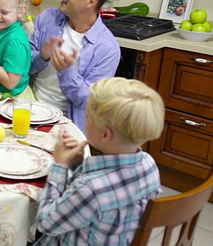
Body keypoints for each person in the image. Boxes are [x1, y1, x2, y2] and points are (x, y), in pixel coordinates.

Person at [34, 77, 165, 245]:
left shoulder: (91, 189)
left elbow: (45, 223)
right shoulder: (149, 164)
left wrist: (60, 166)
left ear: (105, 134)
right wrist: (77, 166)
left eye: (87, 116)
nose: (85, 119)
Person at [29, 0, 120, 132]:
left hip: (68, 125)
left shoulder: (107, 48)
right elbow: (24, 66)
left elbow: (89, 101)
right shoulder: (48, 17)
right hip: (29, 108)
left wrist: (66, 71)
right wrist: (42, 56)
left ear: (91, 1)